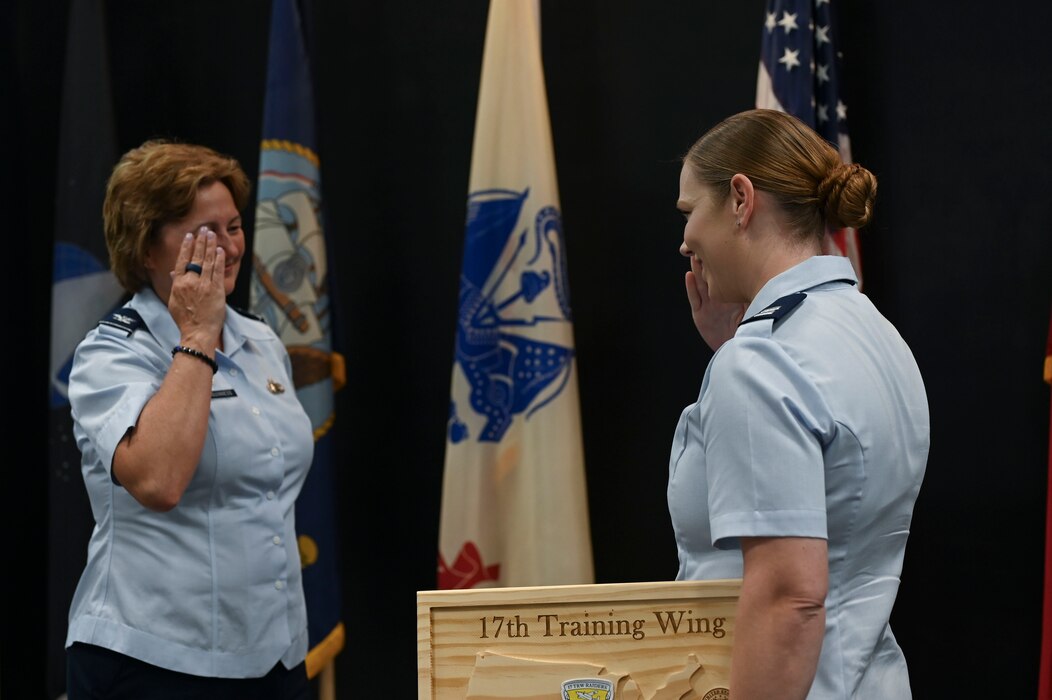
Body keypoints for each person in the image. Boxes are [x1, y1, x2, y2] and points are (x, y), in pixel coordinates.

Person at [668, 109, 929, 699]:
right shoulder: (875, 333)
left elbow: (790, 597)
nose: (685, 241)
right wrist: (736, 352)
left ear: (740, 198)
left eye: (690, 212)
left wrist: (740, 362)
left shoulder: (763, 363)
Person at [65, 140, 314, 699]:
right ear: (147, 251)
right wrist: (197, 336)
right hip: (156, 661)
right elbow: (158, 481)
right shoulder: (109, 355)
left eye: (232, 228)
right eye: (204, 234)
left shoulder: (262, 341)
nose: (225, 249)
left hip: (274, 656)